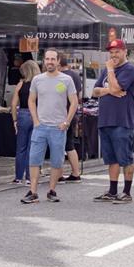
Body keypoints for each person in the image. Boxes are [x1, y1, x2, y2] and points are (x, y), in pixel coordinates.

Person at [21, 50, 78, 203]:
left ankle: (52, 190)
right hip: (40, 127)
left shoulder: (66, 80)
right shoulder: (37, 80)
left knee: (57, 161)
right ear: (44, 61)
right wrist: (35, 120)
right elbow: (31, 100)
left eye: (53, 59)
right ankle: (32, 191)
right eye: (47, 59)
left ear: (58, 61)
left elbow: (74, 102)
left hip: (58, 128)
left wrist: (67, 121)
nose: (50, 62)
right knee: (34, 159)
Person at [92, 38, 134, 203]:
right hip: (105, 120)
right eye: (111, 53)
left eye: (117, 52)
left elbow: (117, 87)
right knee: (111, 159)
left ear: (125, 51)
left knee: (125, 158)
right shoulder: (106, 71)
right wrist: (109, 90)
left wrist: (111, 71)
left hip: (122, 121)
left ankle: (126, 192)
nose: (113, 55)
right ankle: (112, 191)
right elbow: (95, 91)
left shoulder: (129, 69)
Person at [10, 59, 41, 184]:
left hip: (22, 114)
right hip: (36, 115)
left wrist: (14, 119)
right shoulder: (39, 84)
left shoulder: (20, 84)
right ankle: (29, 177)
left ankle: (18, 177)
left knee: (20, 148)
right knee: (32, 147)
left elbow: (13, 104)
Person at [57, 52, 83, 181]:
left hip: (63, 114)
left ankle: (61, 174)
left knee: (62, 145)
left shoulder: (63, 77)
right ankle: (75, 172)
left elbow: (59, 94)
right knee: (69, 144)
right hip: (72, 114)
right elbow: (78, 95)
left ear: (58, 62)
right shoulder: (75, 75)